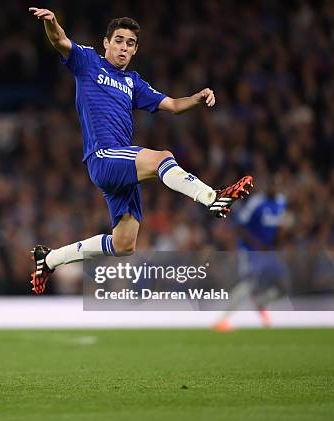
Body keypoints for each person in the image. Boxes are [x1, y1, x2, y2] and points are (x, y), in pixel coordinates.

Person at [28, 8, 254, 294]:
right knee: (162, 157)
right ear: (106, 43)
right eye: (119, 40)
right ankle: (212, 197)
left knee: (124, 245)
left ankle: (49, 259)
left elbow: (172, 105)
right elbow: (59, 40)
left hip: (121, 166)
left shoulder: (133, 82)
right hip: (103, 156)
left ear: (135, 50)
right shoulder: (88, 62)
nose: (124, 47)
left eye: (130, 43)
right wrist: (51, 22)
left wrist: (197, 98)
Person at [213, 179, 289, 331]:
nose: (273, 187)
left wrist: (278, 243)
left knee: (284, 284)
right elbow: (240, 226)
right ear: (266, 186)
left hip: (269, 251)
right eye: (271, 184)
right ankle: (222, 320)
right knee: (248, 283)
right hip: (251, 251)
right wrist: (257, 245)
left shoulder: (281, 201)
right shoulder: (256, 202)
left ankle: (260, 302)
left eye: (276, 184)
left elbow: (279, 227)